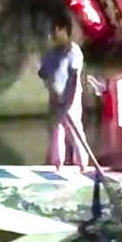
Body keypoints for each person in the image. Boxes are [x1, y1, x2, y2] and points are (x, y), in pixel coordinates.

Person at [40, 20, 88, 167]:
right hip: (55, 98)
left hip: (70, 99)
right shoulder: (51, 53)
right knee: (56, 130)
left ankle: (82, 164)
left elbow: (74, 76)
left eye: (55, 31)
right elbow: (43, 72)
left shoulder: (73, 52)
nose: (53, 35)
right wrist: (50, 86)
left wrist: (69, 100)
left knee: (74, 130)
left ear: (64, 30)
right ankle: (57, 165)